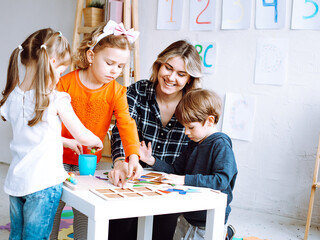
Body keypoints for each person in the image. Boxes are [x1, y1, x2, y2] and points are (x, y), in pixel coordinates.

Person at [0, 28, 103, 240]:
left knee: (16, 236)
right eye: (61, 71)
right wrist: (97, 140)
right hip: (43, 186)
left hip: (17, 183)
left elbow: (31, 133)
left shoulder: (13, 97)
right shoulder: (55, 99)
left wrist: (65, 142)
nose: (60, 76)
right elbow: (84, 136)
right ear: (52, 62)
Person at [50, 20, 142, 240]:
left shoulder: (118, 91)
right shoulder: (65, 83)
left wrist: (134, 156)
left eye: (120, 66)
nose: (115, 71)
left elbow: (126, 123)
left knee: (85, 211)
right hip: (55, 158)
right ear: (91, 57)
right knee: (53, 208)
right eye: (110, 63)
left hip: (88, 161)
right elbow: (47, 119)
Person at [108, 40, 202, 240]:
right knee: (120, 228)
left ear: (189, 79)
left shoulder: (193, 105)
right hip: (133, 176)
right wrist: (119, 162)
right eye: (168, 68)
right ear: (159, 65)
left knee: (161, 232)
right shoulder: (137, 91)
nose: (171, 77)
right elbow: (121, 130)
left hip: (170, 183)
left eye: (181, 74)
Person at [140, 89, 238, 240]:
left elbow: (221, 181)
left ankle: (225, 234)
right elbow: (175, 171)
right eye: (184, 127)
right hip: (188, 215)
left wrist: (184, 179)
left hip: (210, 220)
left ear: (210, 121)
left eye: (190, 127)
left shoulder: (221, 145)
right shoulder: (193, 143)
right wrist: (151, 160)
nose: (186, 132)